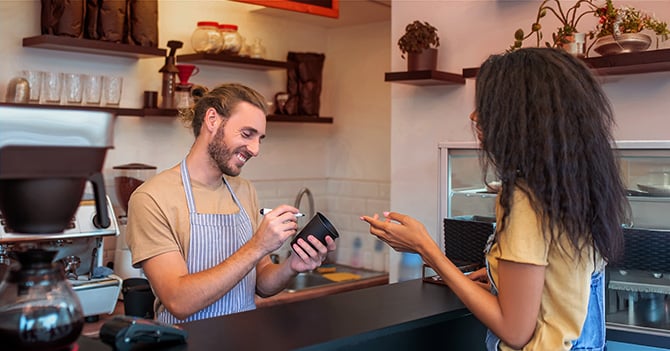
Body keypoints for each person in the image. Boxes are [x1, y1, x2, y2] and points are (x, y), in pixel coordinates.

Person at [361, 48, 629, 351]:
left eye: (487, 106)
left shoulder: (526, 200)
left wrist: (426, 249)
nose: (474, 116)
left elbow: (515, 332)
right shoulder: (576, 186)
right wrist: (499, 279)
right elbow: (562, 287)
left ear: (520, 116)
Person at [126, 83, 336, 324]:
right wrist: (258, 246)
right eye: (247, 134)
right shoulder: (152, 198)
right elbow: (178, 301)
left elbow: (261, 283)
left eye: (260, 139)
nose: (255, 150)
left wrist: (291, 266)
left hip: (242, 340)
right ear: (212, 120)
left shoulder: (244, 190)